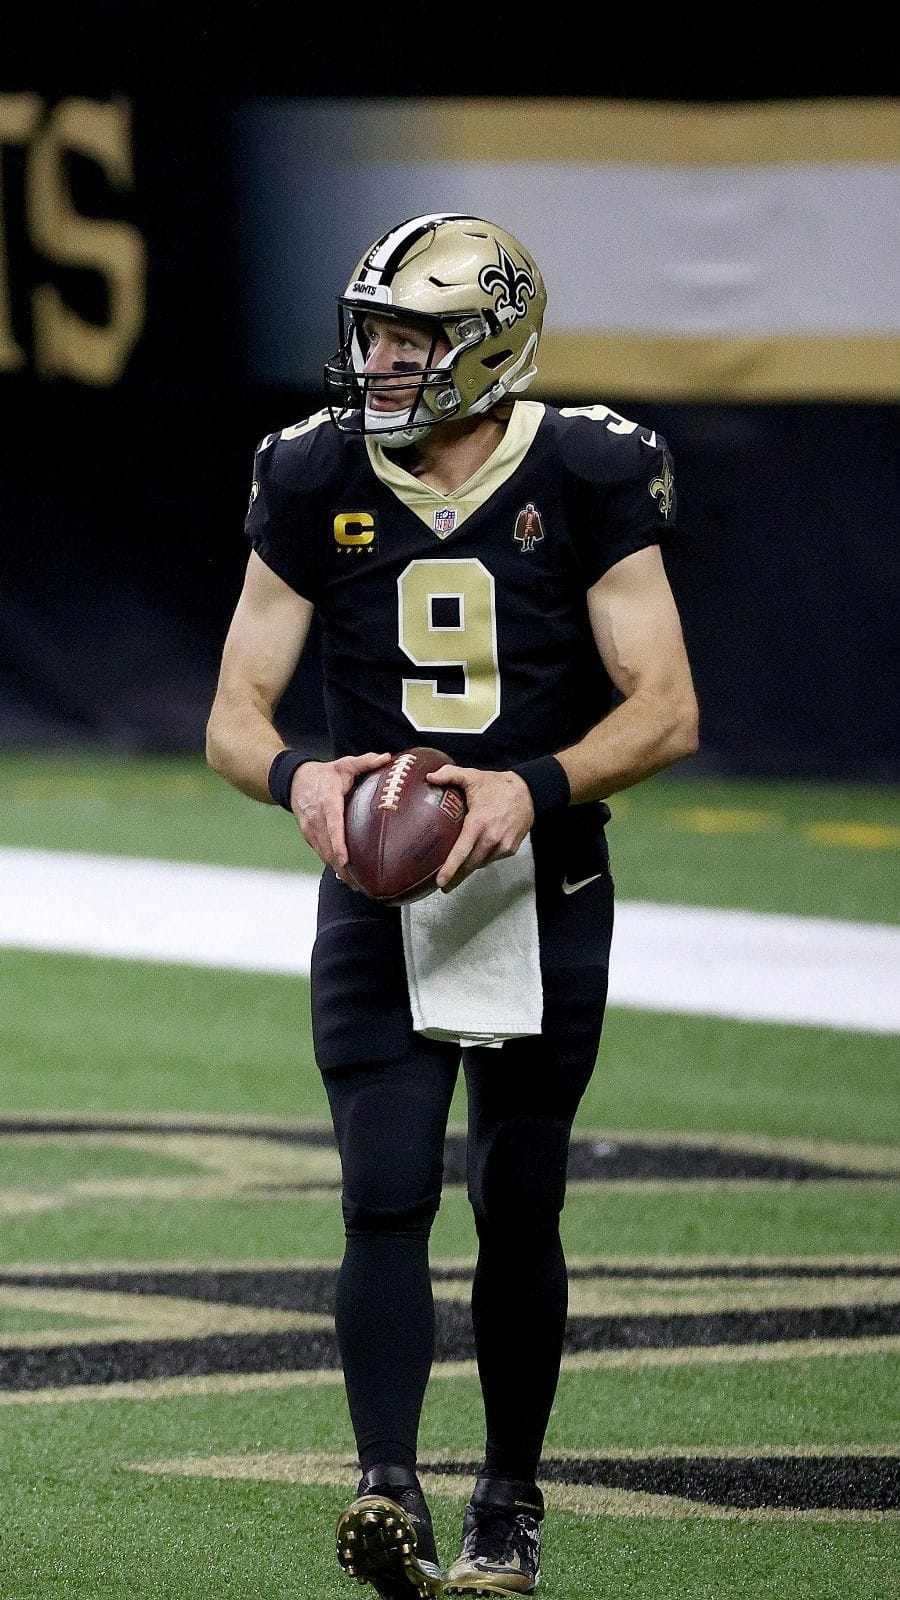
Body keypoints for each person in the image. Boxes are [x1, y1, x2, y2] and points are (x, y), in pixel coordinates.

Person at [206, 212, 698, 1599]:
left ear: (487, 347)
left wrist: (528, 789)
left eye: (408, 339)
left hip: (540, 883)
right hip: (378, 888)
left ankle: (507, 1505)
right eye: (370, 333)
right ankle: (389, 1491)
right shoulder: (312, 472)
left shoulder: (588, 465)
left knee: (520, 1203)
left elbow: (666, 708)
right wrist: (303, 779)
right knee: (382, 1194)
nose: (377, 361)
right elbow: (234, 716)